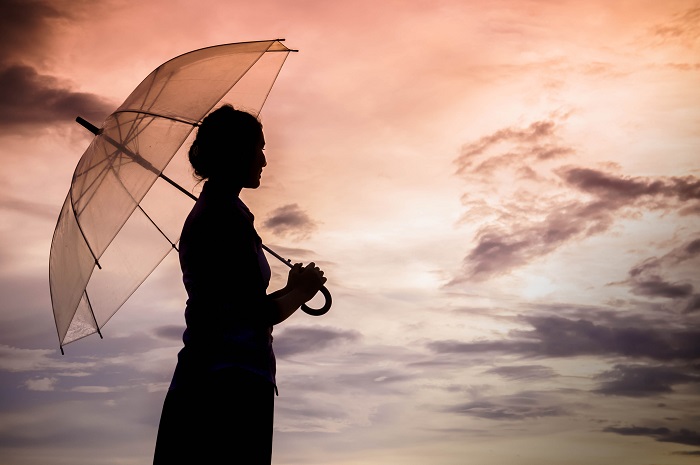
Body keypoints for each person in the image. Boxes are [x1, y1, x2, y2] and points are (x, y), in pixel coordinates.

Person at [153, 104, 327, 464]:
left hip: (217, 380)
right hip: (226, 389)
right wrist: (302, 292)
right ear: (236, 152)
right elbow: (255, 314)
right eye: (259, 149)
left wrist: (292, 287)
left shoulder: (228, 213)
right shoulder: (221, 219)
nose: (263, 161)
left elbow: (238, 302)